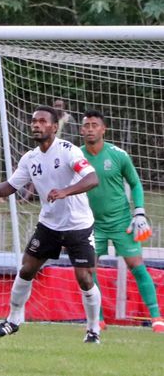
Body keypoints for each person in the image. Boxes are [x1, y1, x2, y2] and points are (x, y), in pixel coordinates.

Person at [0, 105, 102, 343]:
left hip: (78, 225)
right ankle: (13, 321)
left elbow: (92, 178)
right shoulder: (30, 158)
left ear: (54, 127)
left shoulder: (68, 151)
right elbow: (12, 186)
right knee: (26, 269)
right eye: (34, 121)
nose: (36, 125)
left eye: (43, 121)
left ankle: (93, 330)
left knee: (84, 277)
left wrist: (66, 191)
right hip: (49, 225)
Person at [80, 110, 164, 332]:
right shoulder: (75, 156)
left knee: (136, 265)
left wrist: (139, 212)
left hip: (121, 221)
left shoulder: (118, 155)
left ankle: (156, 318)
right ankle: (97, 319)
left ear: (103, 129)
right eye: (86, 125)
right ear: (81, 130)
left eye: (94, 125)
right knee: (88, 269)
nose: (90, 128)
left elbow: (135, 184)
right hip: (90, 224)